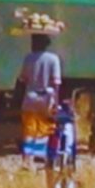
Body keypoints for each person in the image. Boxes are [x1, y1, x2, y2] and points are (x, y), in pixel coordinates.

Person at [17, 33, 62, 167]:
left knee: (29, 128)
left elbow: (23, 80)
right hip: (47, 97)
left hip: (30, 96)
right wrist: (56, 102)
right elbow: (56, 83)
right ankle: (41, 155)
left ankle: (27, 158)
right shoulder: (53, 59)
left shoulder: (28, 58)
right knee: (45, 127)